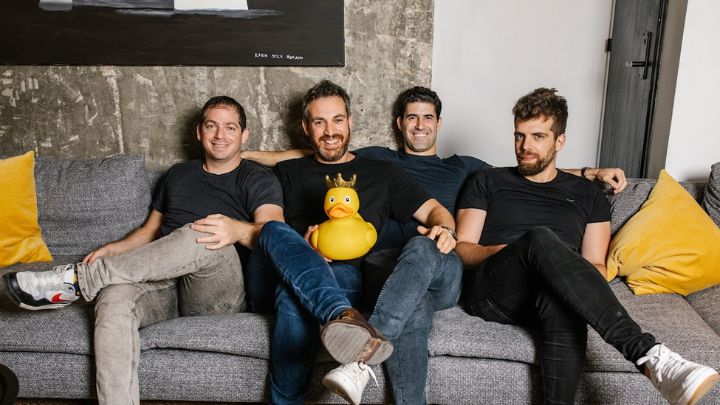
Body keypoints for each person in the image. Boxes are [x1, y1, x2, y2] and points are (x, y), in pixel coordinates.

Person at [241, 85, 629, 404]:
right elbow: (307, 156)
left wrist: (587, 172)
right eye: (412, 116)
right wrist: (236, 153)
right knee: (404, 293)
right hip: (356, 271)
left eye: (337, 120)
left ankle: (359, 360)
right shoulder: (369, 160)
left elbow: (528, 168)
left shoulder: (456, 168)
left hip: (418, 261)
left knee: (426, 252)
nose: (329, 130)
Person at [4, 96, 284, 405]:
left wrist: (236, 228)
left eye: (230, 127)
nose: (220, 135)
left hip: (215, 291)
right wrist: (113, 248)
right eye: (211, 126)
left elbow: (274, 232)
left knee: (205, 231)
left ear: (244, 135)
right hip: (163, 287)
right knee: (113, 297)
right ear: (199, 132)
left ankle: (78, 280)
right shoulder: (178, 174)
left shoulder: (258, 178)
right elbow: (150, 232)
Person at [455, 87, 720, 405]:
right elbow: (463, 248)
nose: (525, 147)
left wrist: (557, 270)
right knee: (539, 238)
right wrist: (507, 251)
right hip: (495, 289)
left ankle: (652, 362)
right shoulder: (488, 180)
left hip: (551, 289)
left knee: (561, 300)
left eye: (538, 136)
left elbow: (596, 266)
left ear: (560, 141)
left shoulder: (588, 193)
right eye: (519, 136)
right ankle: (647, 353)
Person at [245, 79, 461, 405]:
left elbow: (435, 210)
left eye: (337, 120)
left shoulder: (381, 171)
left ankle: (360, 345)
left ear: (350, 121)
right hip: (319, 273)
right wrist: (303, 246)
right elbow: (271, 224)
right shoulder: (289, 172)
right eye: (319, 122)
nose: (329, 131)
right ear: (306, 127)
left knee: (413, 294)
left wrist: (445, 229)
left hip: (371, 276)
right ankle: (340, 320)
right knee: (273, 239)